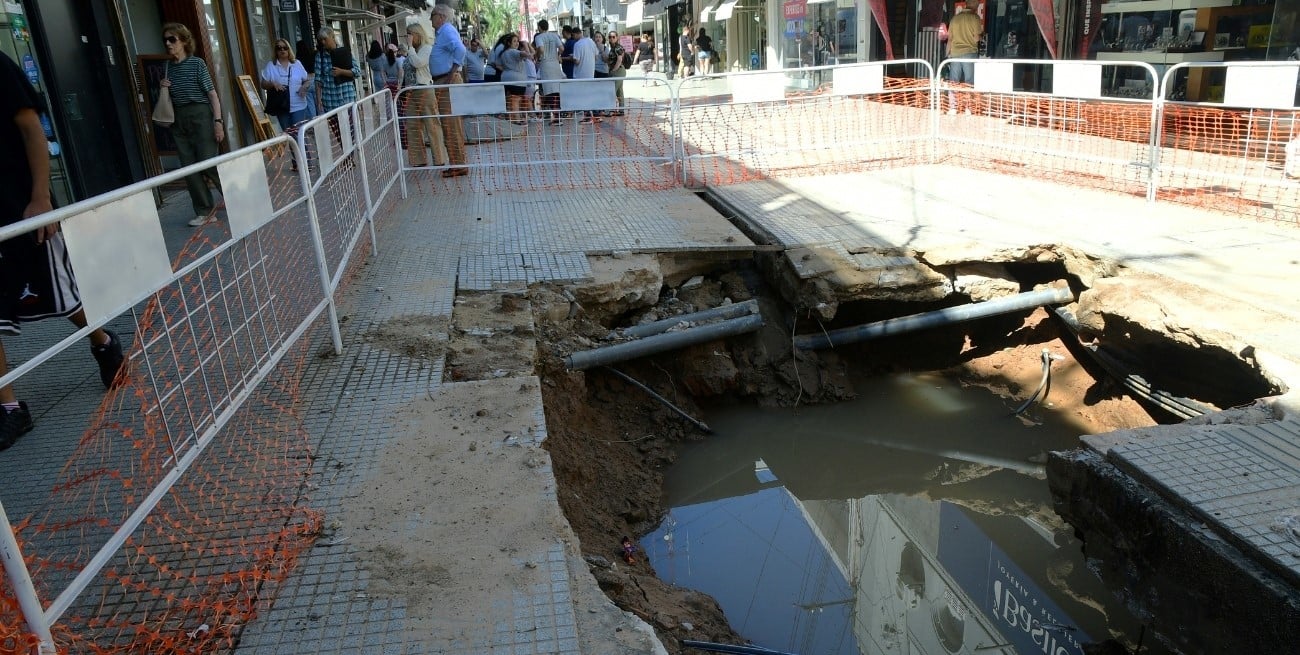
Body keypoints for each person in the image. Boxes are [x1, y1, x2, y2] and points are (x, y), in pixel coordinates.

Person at [0, 51, 125, 450]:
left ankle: (103, 341)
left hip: (19, 207)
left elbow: (32, 128)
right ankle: (10, 408)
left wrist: (41, 198)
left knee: (60, 294)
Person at [161, 22, 225, 228]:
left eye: (173, 39)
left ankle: (236, 196)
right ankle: (205, 211)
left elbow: (212, 95)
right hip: (179, 119)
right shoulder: (168, 67)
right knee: (189, 167)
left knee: (207, 161)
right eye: (166, 40)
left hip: (200, 115)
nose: (168, 44)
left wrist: (218, 122)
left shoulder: (197, 64)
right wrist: (163, 88)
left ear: (184, 41)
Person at [429, 3, 468, 178]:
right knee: (449, 124)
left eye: (433, 15)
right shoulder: (443, 32)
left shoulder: (446, 30)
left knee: (451, 124)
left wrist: (452, 73)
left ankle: (458, 164)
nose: (431, 19)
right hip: (444, 81)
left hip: (448, 81)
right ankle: (456, 162)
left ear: (441, 16)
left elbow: (460, 49)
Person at [402, 22, 447, 168]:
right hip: (411, 91)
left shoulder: (427, 49)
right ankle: (418, 160)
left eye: (410, 34)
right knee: (413, 125)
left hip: (424, 90)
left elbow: (417, 63)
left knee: (432, 125)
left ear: (417, 35)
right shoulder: (412, 50)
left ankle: (439, 159)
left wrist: (409, 48)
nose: (407, 37)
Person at [261, 38, 312, 132]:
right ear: (275, 51)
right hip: (281, 106)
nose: (282, 50)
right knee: (288, 135)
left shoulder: (297, 64)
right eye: (279, 48)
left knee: (298, 134)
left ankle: (303, 147)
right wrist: (273, 84)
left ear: (289, 49)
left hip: (298, 105)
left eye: (285, 48)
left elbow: (307, 80)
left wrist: (304, 87)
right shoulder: (271, 65)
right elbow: (263, 84)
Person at [946, 0, 982, 113]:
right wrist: (982, 36)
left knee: (954, 81)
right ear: (974, 5)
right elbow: (976, 38)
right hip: (969, 53)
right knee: (969, 82)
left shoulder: (954, 19)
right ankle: (968, 108)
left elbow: (950, 40)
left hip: (955, 54)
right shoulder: (975, 18)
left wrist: (947, 54)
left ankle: (953, 107)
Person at [315, 27, 360, 114]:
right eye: (321, 40)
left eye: (325, 39)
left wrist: (341, 71)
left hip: (347, 98)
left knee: (351, 127)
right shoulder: (320, 56)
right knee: (336, 127)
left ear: (332, 37)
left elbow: (357, 72)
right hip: (330, 102)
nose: (323, 42)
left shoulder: (344, 52)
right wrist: (318, 101)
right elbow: (318, 80)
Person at [533, 20, 564, 118]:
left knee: (549, 91)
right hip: (555, 65)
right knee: (557, 90)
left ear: (539, 27)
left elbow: (541, 49)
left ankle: (555, 117)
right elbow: (562, 48)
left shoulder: (539, 37)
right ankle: (558, 115)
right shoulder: (554, 36)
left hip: (546, 64)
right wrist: (558, 55)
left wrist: (537, 55)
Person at [497, 34, 528, 122]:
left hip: (506, 78)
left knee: (510, 100)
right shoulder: (513, 52)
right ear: (508, 43)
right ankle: (517, 120)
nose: (517, 43)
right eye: (514, 41)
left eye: (517, 41)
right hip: (517, 80)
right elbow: (526, 54)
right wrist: (526, 46)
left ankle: (510, 119)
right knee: (516, 100)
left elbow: (498, 65)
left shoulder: (503, 53)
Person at [571, 28, 598, 123]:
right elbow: (596, 56)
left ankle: (587, 117)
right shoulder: (591, 42)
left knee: (583, 96)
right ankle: (595, 115)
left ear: (577, 34)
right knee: (590, 95)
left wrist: (572, 58)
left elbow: (577, 61)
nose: (573, 38)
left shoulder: (577, 45)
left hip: (580, 75)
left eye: (573, 35)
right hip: (590, 73)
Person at [295, 39, 318, 120]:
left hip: (306, 82)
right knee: (319, 103)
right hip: (315, 79)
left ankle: (313, 122)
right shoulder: (313, 55)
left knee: (310, 106)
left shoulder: (298, 59)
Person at [607, 31, 627, 114]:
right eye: (610, 37)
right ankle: (621, 110)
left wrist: (614, 70)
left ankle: (609, 110)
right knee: (619, 90)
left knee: (612, 90)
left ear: (617, 37)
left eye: (613, 37)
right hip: (618, 70)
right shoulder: (612, 47)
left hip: (618, 71)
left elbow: (619, 59)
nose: (611, 39)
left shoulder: (618, 47)